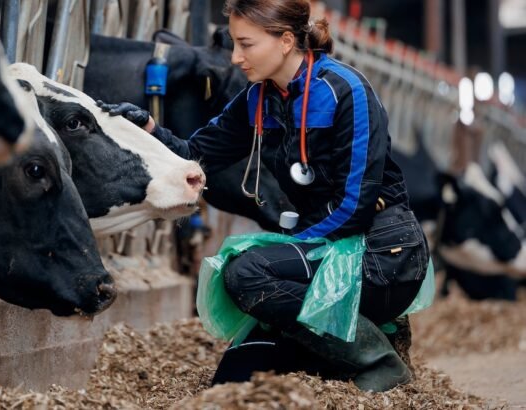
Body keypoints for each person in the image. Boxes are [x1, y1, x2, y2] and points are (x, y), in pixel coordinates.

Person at [101, 0, 430, 392]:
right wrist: (148, 128)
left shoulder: (347, 91)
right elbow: (195, 154)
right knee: (239, 371)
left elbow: (355, 205)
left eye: (247, 44)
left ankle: (378, 358)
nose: (237, 58)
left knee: (246, 272)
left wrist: (289, 251)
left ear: (286, 41)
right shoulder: (260, 99)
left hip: (381, 254)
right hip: (326, 248)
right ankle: (364, 337)